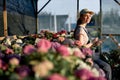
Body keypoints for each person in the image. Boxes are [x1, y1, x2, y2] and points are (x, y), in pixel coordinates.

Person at [74, 8, 112, 80]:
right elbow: (82, 47)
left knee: (105, 66)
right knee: (107, 68)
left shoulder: (83, 28)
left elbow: (85, 45)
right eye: (86, 16)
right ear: (81, 16)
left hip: (90, 55)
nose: (89, 17)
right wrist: (92, 42)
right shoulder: (80, 30)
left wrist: (95, 44)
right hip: (87, 57)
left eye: (90, 16)